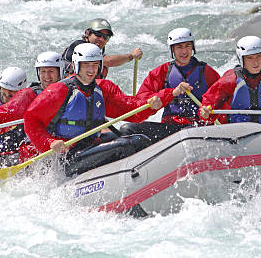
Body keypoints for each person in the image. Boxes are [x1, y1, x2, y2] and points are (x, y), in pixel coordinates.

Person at [24, 43, 162, 177]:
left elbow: (130, 109)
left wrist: (152, 104)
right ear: (76, 65)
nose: (91, 70)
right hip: (67, 156)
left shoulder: (101, 89)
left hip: (91, 144)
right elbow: (30, 119)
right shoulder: (59, 90)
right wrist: (49, 142)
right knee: (125, 146)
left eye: (95, 64)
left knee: (140, 139)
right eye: (86, 65)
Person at [120, 27, 220, 142]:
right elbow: (140, 103)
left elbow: (222, 100)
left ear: (193, 47)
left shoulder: (207, 72)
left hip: (198, 128)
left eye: (187, 46)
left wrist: (209, 111)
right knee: (127, 129)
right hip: (171, 129)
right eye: (179, 47)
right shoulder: (161, 72)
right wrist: (169, 94)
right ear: (172, 49)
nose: (184, 51)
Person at [0, 52, 65, 161]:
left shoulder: (70, 88)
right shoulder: (28, 95)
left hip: (66, 142)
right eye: (43, 72)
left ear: (60, 71)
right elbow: (6, 112)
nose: (47, 77)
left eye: (51, 71)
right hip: (40, 146)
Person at [62, 18, 143, 79]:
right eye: (98, 34)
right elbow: (109, 61)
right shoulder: (79, 46)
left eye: (106, 37)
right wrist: (131, 56)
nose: (102, 39)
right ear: (87, 33)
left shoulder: (99, 53)